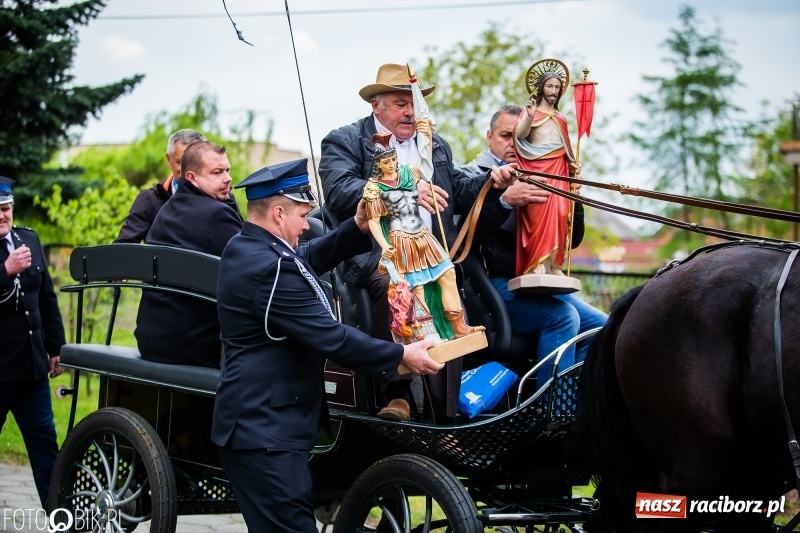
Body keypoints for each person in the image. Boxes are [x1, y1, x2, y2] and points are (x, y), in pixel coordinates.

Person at [212, 159, 443, 532]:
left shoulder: (249, 247)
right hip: (265, 433)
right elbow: (331, 336)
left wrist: (357, 226)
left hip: (259, 425)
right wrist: (402, 354)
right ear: (278, 213)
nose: (307, 225)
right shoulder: (270, 269)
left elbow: (304, 259)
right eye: (303, 216)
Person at [320, 62, 515, 423]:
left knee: (447, 295)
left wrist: (493, 182)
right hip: (377, 254)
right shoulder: (345, 140)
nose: (410, 111)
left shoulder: (434, 144)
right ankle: (397, 396)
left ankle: (444, 417)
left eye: (414, 103)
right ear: (376, 106)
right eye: (400, 104)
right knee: (394, 287)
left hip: (429, 249)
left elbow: (457, 190)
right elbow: (340, 192)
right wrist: (407, 190)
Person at [459, 105, 607, 381]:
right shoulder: (468, 176)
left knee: (602, 327)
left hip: (538, 284)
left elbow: (572, 241)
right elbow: (463, 239)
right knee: (564, 317)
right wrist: (504, 202)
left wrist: (571, 192)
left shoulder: (543, 174)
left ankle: (573, 400)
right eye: (506, 136)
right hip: (491, 285)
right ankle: (553, 406)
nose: (514, 144)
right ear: (489, 137)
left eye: (523, 138)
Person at [364, 131, 484, 344]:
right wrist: (384, 245)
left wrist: (426, 138)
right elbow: (373, 221)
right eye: (386, 161)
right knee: (416, 286)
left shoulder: (409, 172)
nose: (391, 164)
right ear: (378, 164)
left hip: (423, 234)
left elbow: (428, 167)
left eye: (393, 159)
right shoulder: (373, 188)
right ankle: (428, 334)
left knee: (447, 273)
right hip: (400, 239)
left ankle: (458, 326)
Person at [135, 141, 243, 367]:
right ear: (192, 177)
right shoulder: (216, 215)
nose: (228, 178)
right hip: (196, 347)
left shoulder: (168, 209)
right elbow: (254, 264)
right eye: (217, 172)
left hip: (151, 340)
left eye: (227, 170)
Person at [0, 176, 66, 507]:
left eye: (5, 208)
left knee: (45, 450)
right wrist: (5, 270)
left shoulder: (28, 238)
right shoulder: (12, 256)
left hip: (31, 371)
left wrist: (56, 348)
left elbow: (46, 299)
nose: (2, 216)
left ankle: (61, 521)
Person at [513, 69, 575, 276]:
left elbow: (566, 148)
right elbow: (519, 136)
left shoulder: (561, 118)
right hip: (537, 171)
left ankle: (553, 264)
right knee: (537, 217)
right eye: (550, 86)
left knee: (560, 214)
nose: (554, 91)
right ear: (541, 88)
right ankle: (536, 263)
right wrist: (530, 116)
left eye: (557, 87)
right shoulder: (530, 112)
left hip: (559, 170)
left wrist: (572, 165)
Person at [115, 128, 207, 243]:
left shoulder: (220, 196)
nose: (187, 170)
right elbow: (124, 246)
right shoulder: (149, 199)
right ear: (169, 159)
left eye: (194, 163)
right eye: (180, 162)